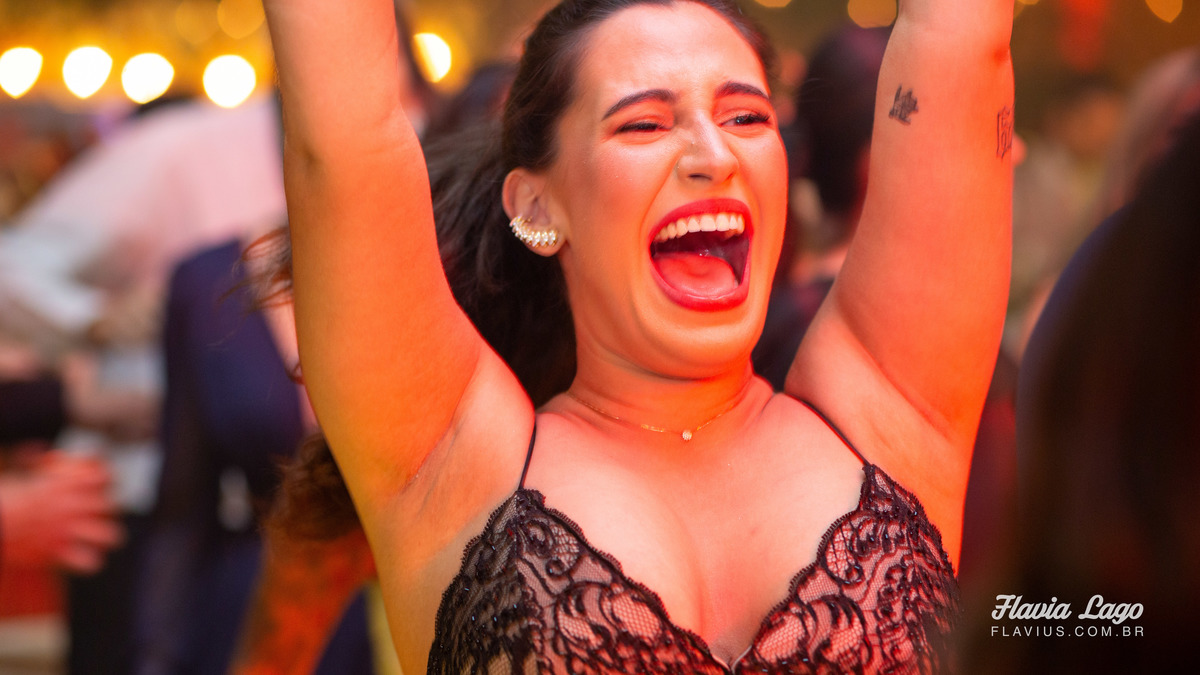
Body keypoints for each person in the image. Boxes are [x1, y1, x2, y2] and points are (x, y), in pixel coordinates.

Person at [262, 0, 1013, 673]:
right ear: (538, 204)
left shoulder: (889, 403)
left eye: (746, 117)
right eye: (644, 123)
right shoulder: (448, 463)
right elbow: (341, 140)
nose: (713, 156)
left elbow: (961, 34)